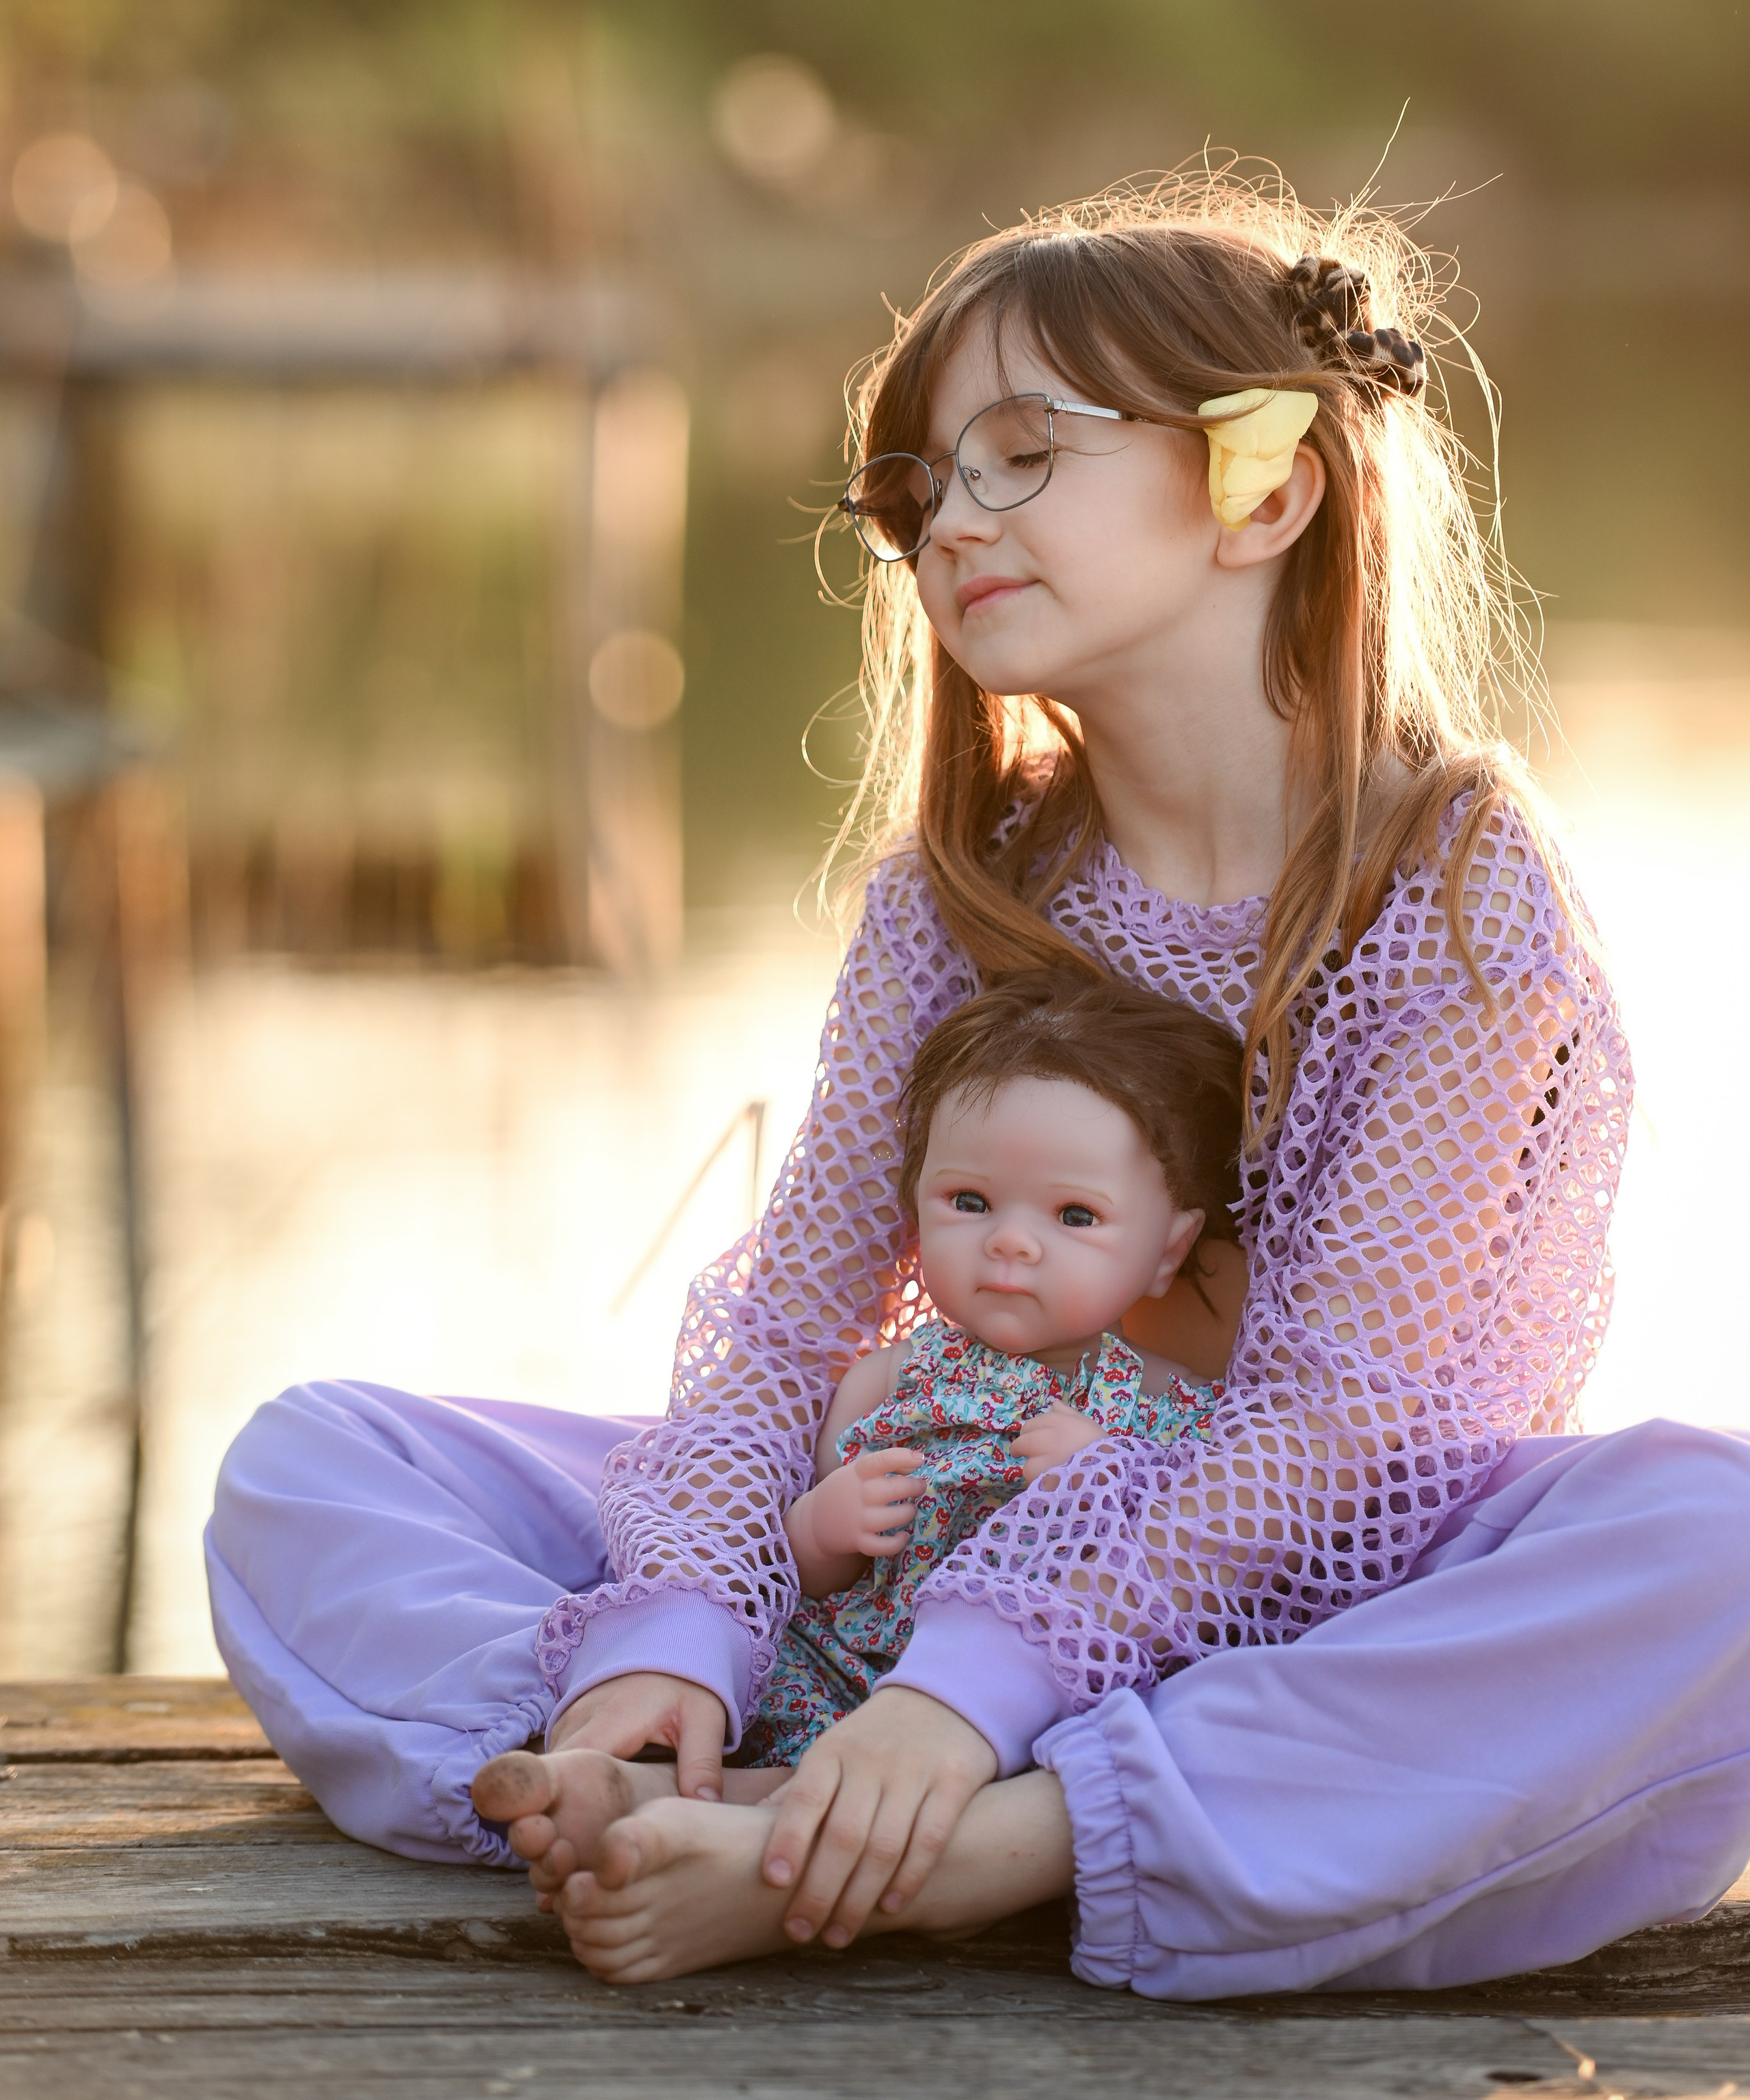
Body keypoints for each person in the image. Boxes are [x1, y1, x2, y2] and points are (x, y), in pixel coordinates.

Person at [206, 178, 1750, 1998]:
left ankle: (942, 1847)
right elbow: (792, 1322)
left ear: (1268, 488)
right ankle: (664, 1752)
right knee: (318, 1464)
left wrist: (975, 1691)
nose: (952, 522)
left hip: (1304, 1605)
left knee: (1713, 1544)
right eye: (920, 486)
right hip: (916, 1523)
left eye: (1023, 454)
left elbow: (1348, 1440)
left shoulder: (1454, 892)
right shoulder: (963, 898)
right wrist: (688, 1624)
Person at [472, 968, 1239, 1857]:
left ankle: (682, 1817)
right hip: (849, 1664)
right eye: (971, 1202)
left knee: (1085, 1739)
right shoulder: (886, 1382)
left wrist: (1107, 1470)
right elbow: (804, 1569)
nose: (1012, 1241)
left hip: (1011, 1698)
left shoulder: (1159, 1402)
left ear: (1166, 1251)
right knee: (785, 1690)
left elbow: (1195, 1557)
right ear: (917, 1209)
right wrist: (822, 1528)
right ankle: (663, 1791)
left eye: (1075, 1216)